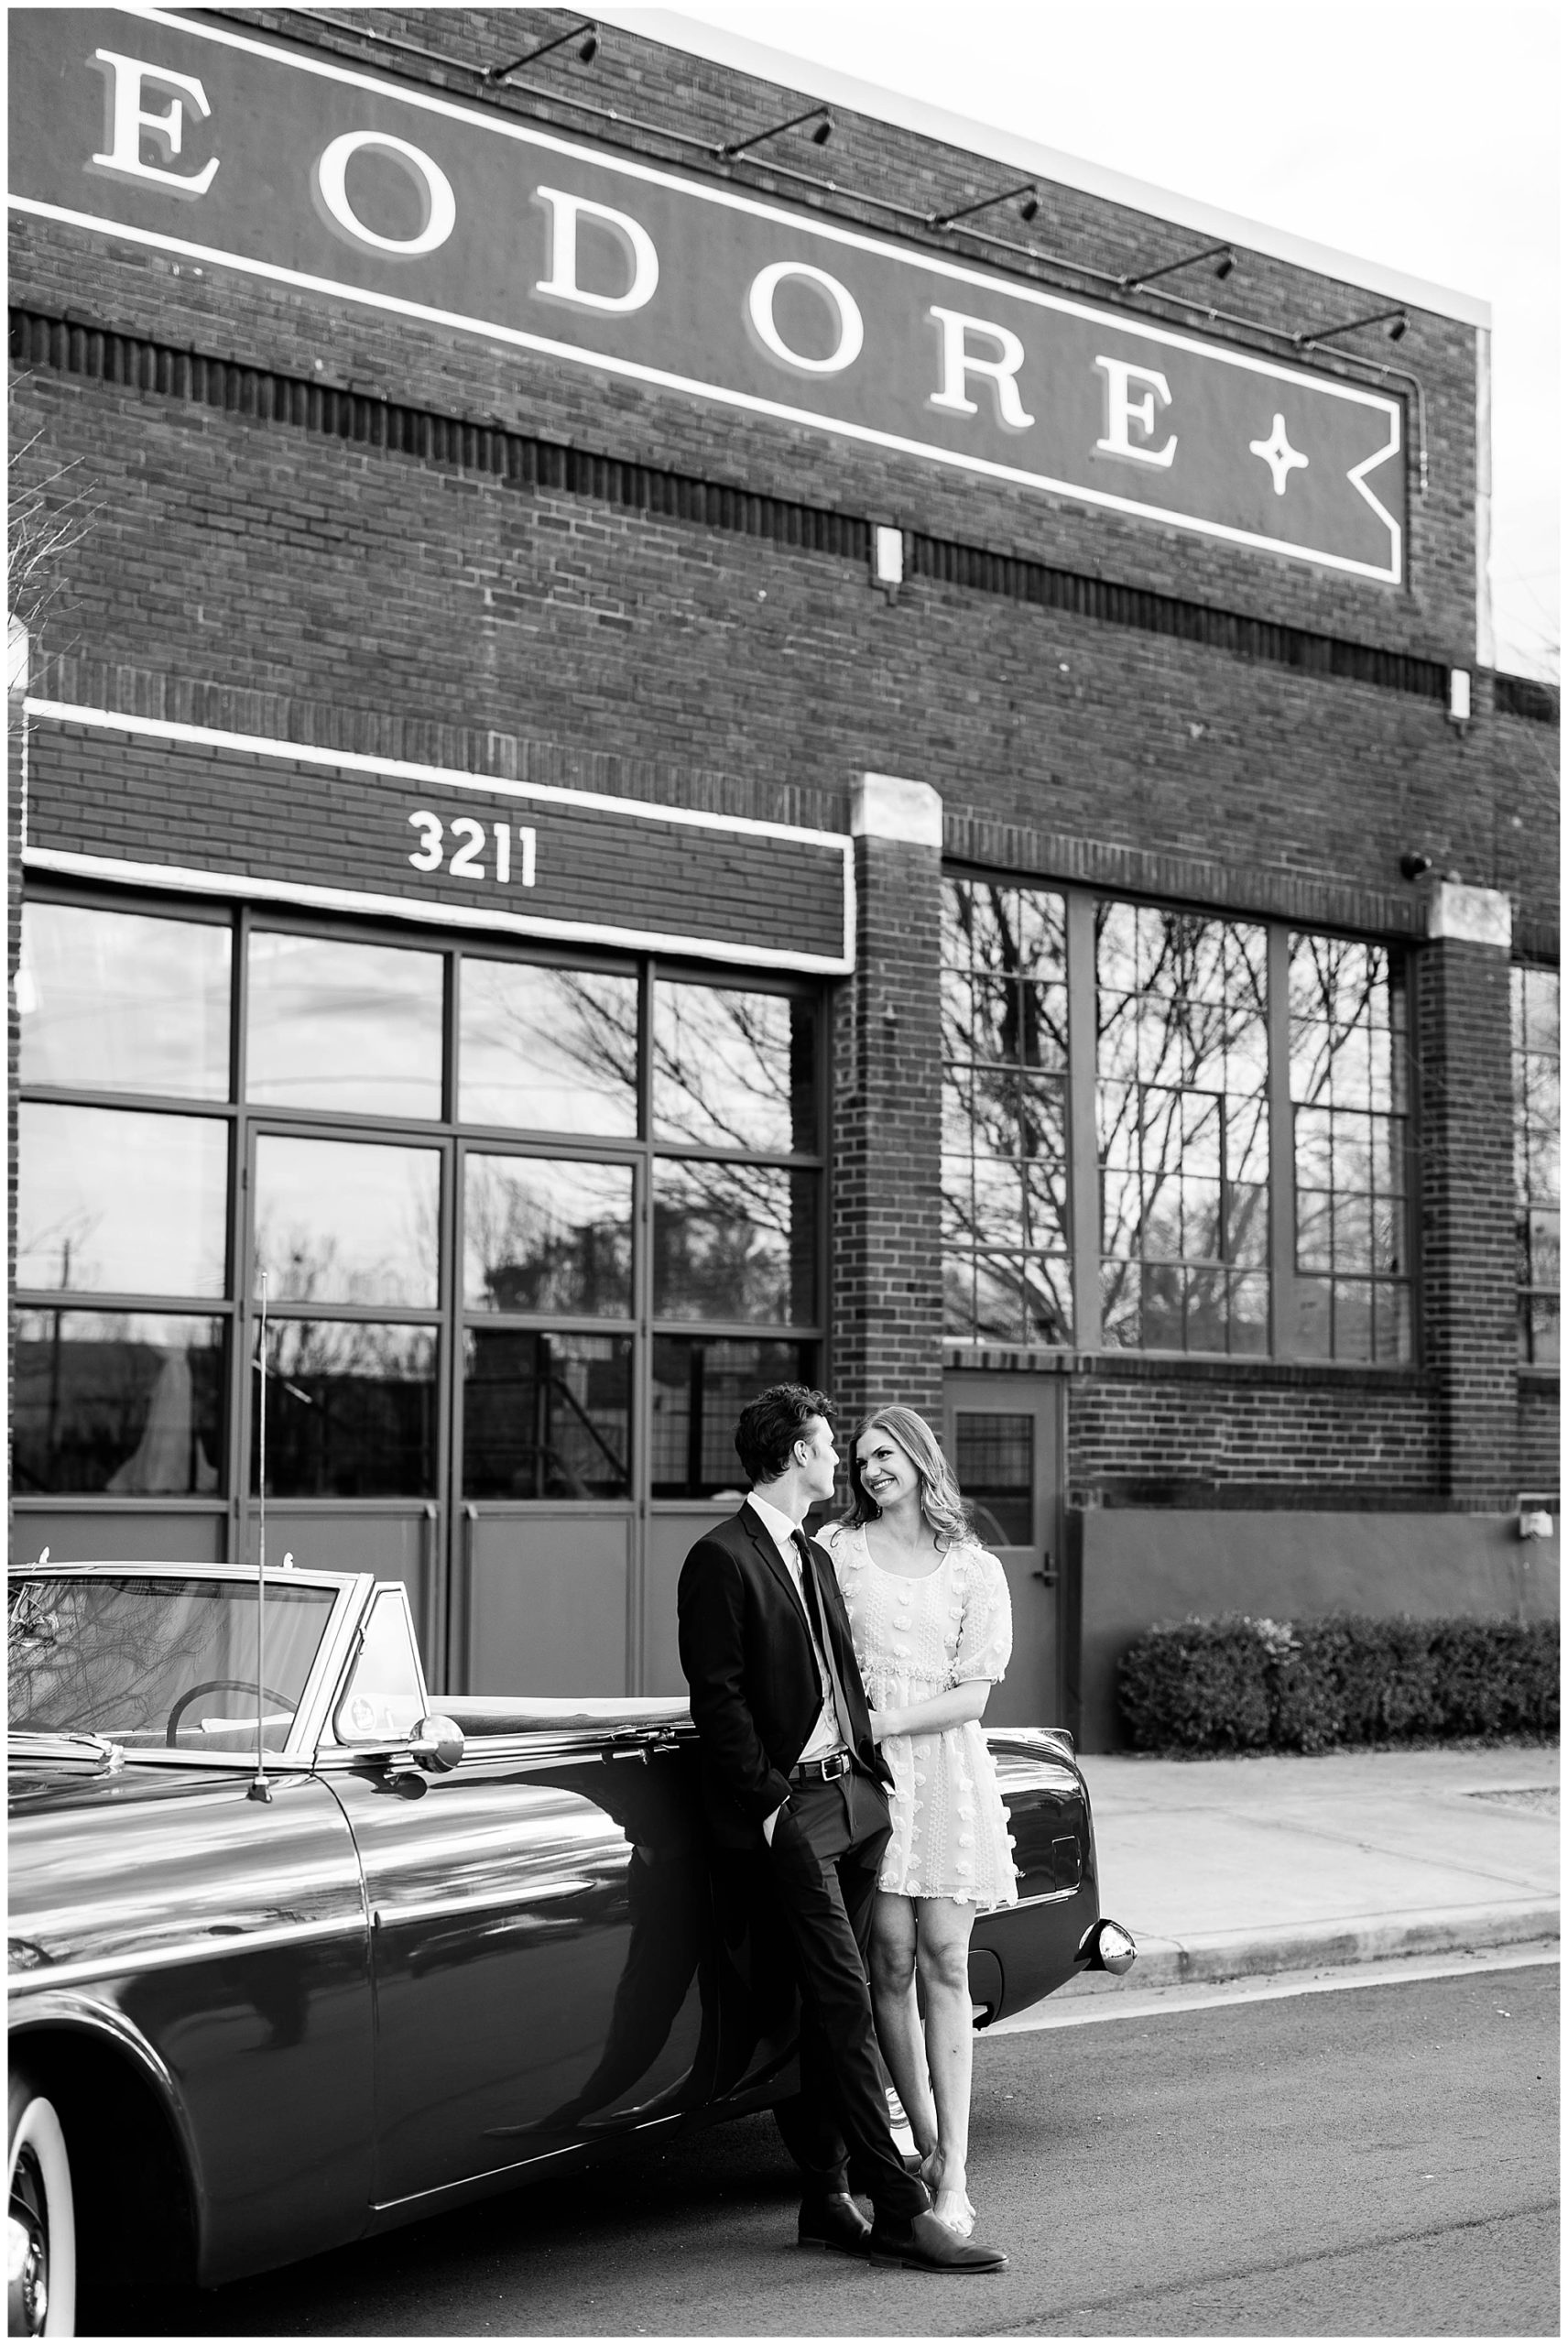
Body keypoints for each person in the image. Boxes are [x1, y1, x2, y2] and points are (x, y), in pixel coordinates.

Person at [677, 1384, 1007, 2275]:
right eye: (836, 1449)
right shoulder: (730, 1555)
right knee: (848, 1993)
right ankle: (900, 2202)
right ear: (799, 1456)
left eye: (867, 1454)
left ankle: (826, 2193)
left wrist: (860, 1764)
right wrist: (771, 1798)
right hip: (796, 1809)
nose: (849, 1465)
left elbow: (837, 1684)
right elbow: (720, 1698)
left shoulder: (809, 1557)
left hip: (865, 1796)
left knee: (850, 1990)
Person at [821, 1405, 1018, 2241]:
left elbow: (975, 1694)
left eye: (885, 1454)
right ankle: (928, 2143)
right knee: (887, 1962)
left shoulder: (975, 1570)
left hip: (942, 1777)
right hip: (866, 1782)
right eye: (859, 1459)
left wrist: (886, 1724)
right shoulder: (835, 1552)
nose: (870, 1470)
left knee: (945, 1960)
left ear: (921, 1458)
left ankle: (958, 2173)